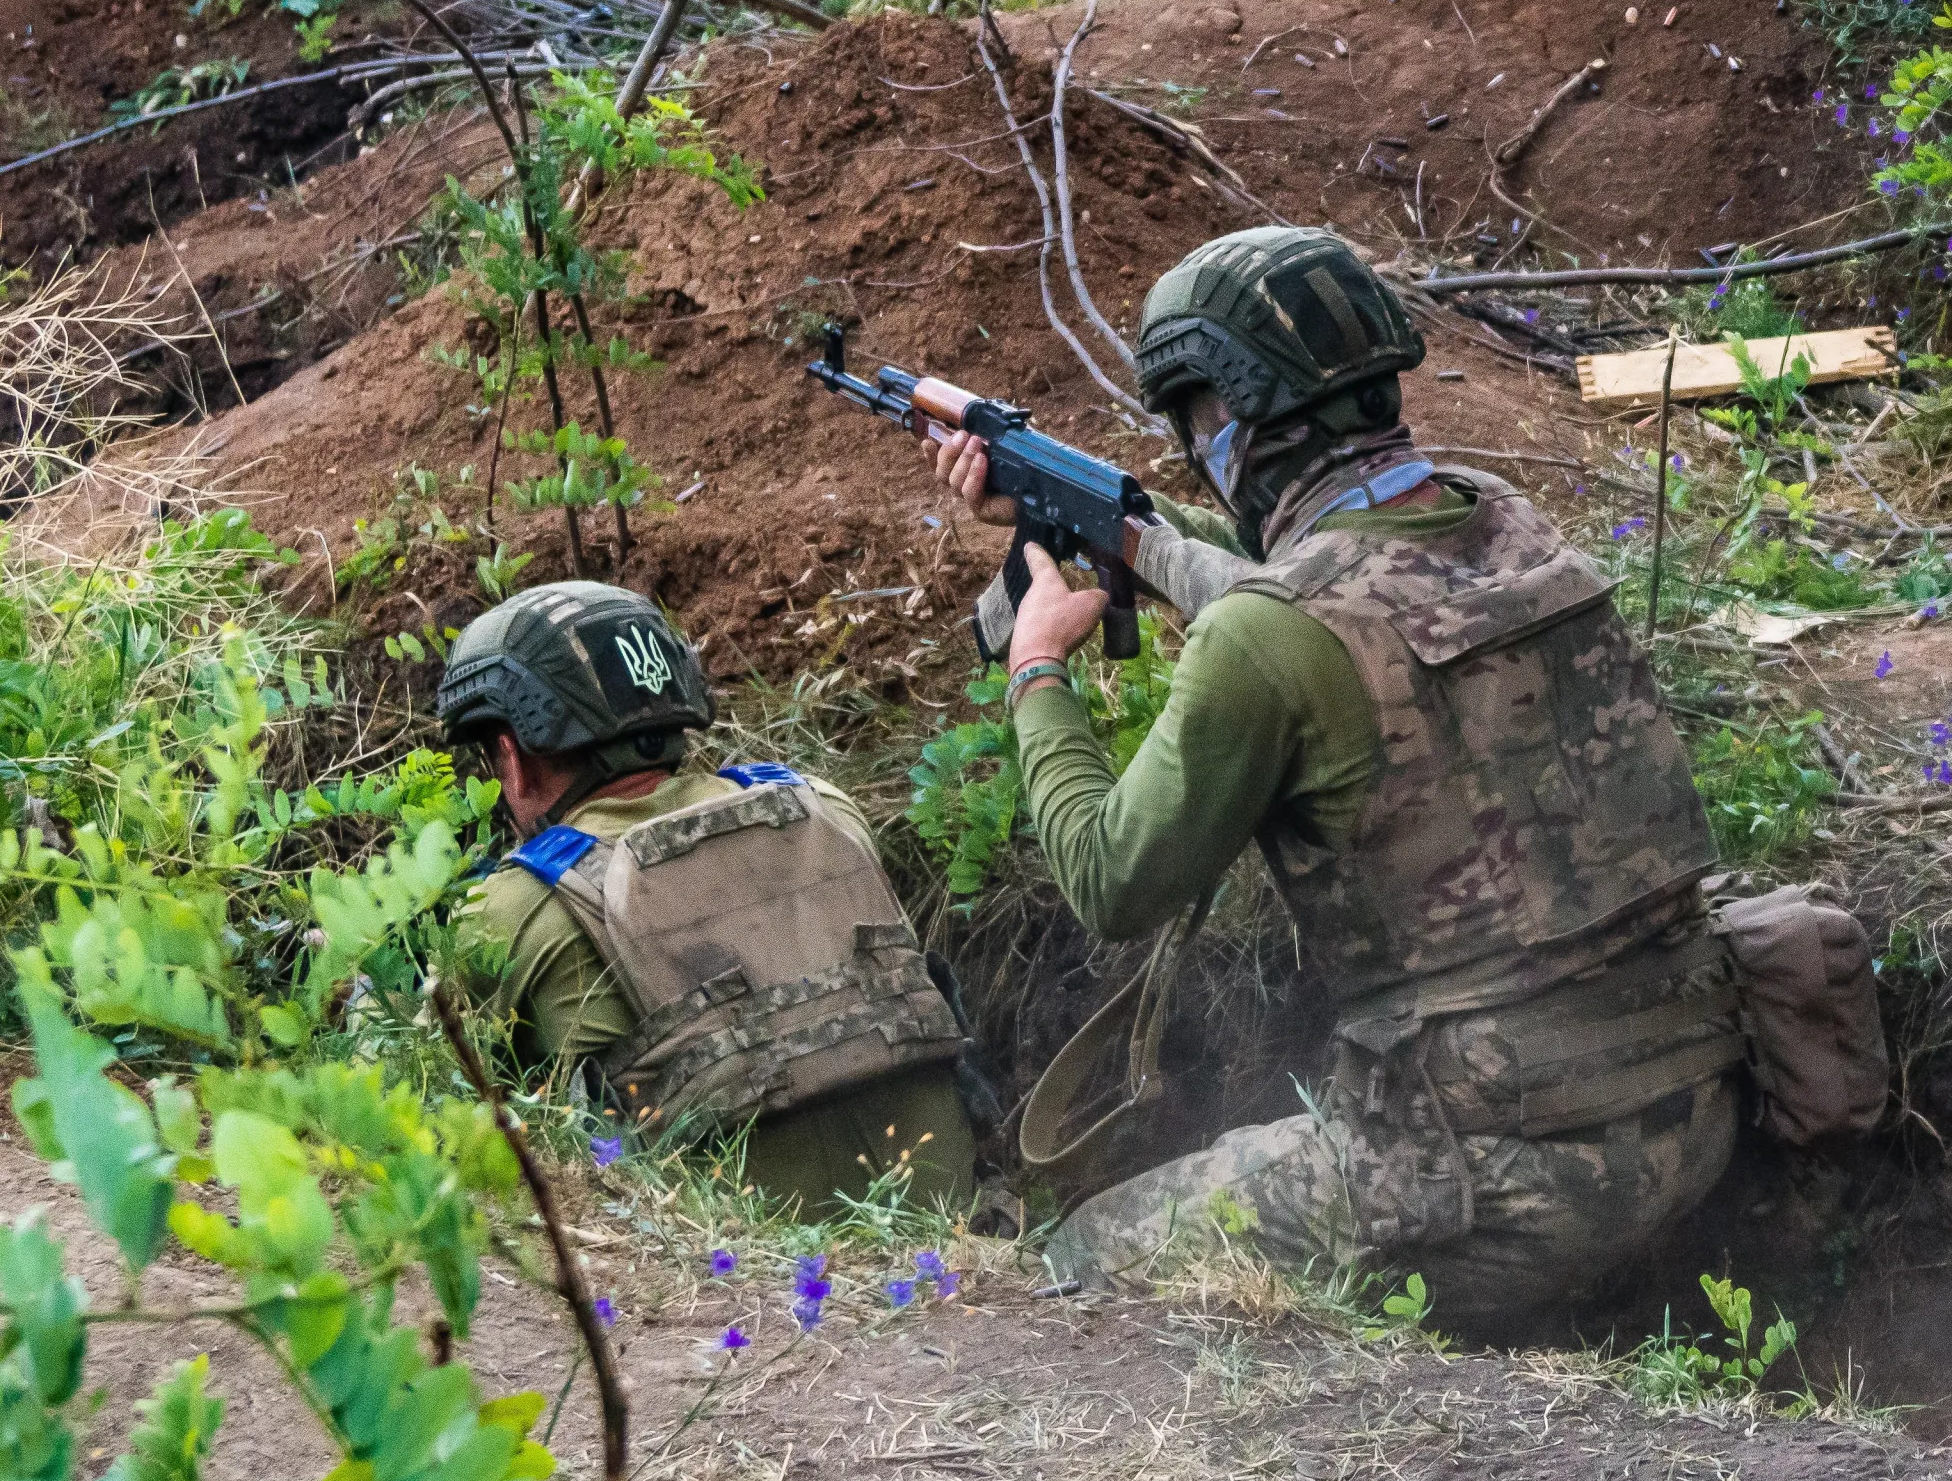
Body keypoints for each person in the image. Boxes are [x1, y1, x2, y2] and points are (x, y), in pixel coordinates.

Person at [935, 224, 1745, 1322]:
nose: (1195, 445)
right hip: (1696, 1101)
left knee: (1086, 1255)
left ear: (1232, 416)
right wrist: (1119, 533)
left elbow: (1109, 880)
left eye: (1195, 422)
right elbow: (1314, 586)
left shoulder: (1269, 636)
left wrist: (1036, 666)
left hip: (1501, 1169)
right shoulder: (1502, 517)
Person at [443, 581, 976, 1209]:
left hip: (735, 1263)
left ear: (512, 757)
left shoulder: (516, 905)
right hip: (959, 1228)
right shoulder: (826, 810)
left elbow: (420, 1090)